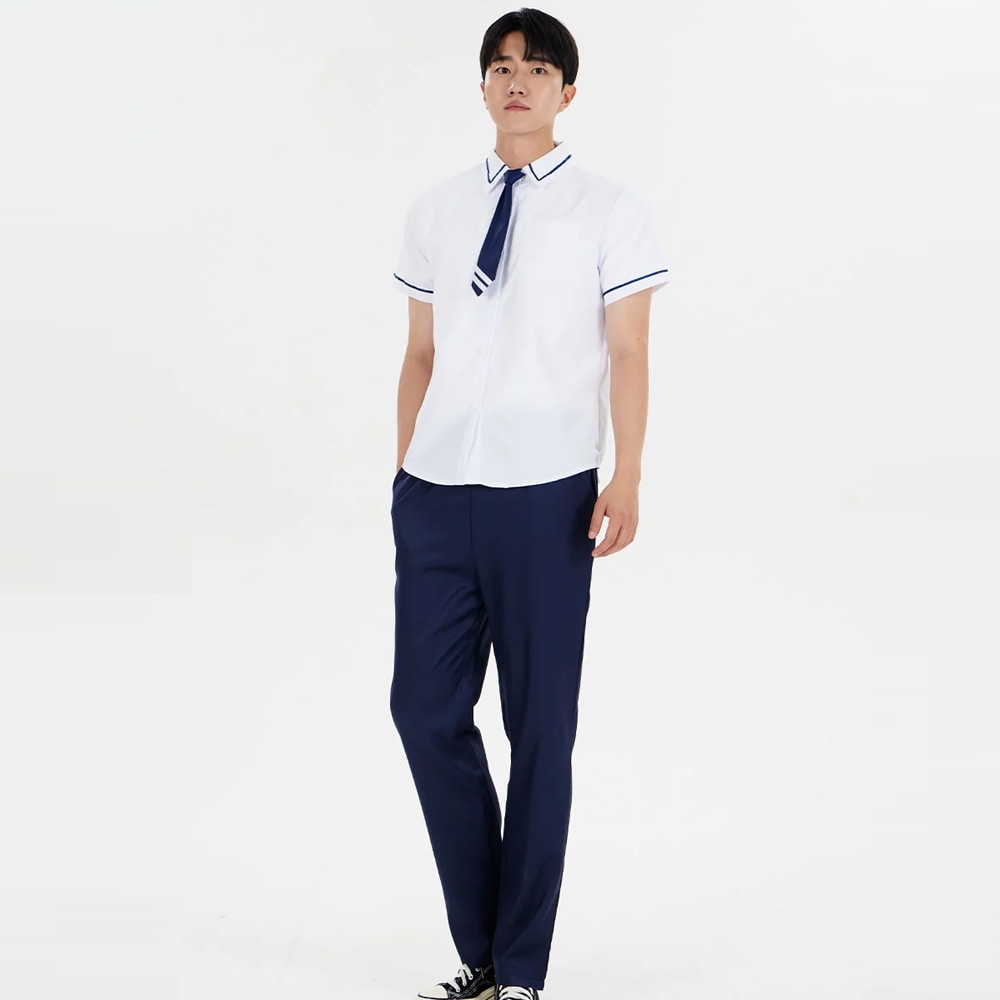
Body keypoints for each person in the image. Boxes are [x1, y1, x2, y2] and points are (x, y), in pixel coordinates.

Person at [389, 8, 669, 999]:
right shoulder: (436, 208)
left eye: (539, 69)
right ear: (481, 86)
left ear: (567, 92)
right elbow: (419, 353)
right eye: (502, 67)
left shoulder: (609, 209)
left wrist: (626, 472)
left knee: (540, 727)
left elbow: (628, 350)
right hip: (435, 494)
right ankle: (484, 948)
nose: (518, 81)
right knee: (422, 710)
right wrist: (403, 476)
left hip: (546, 496)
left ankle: (519, 972)